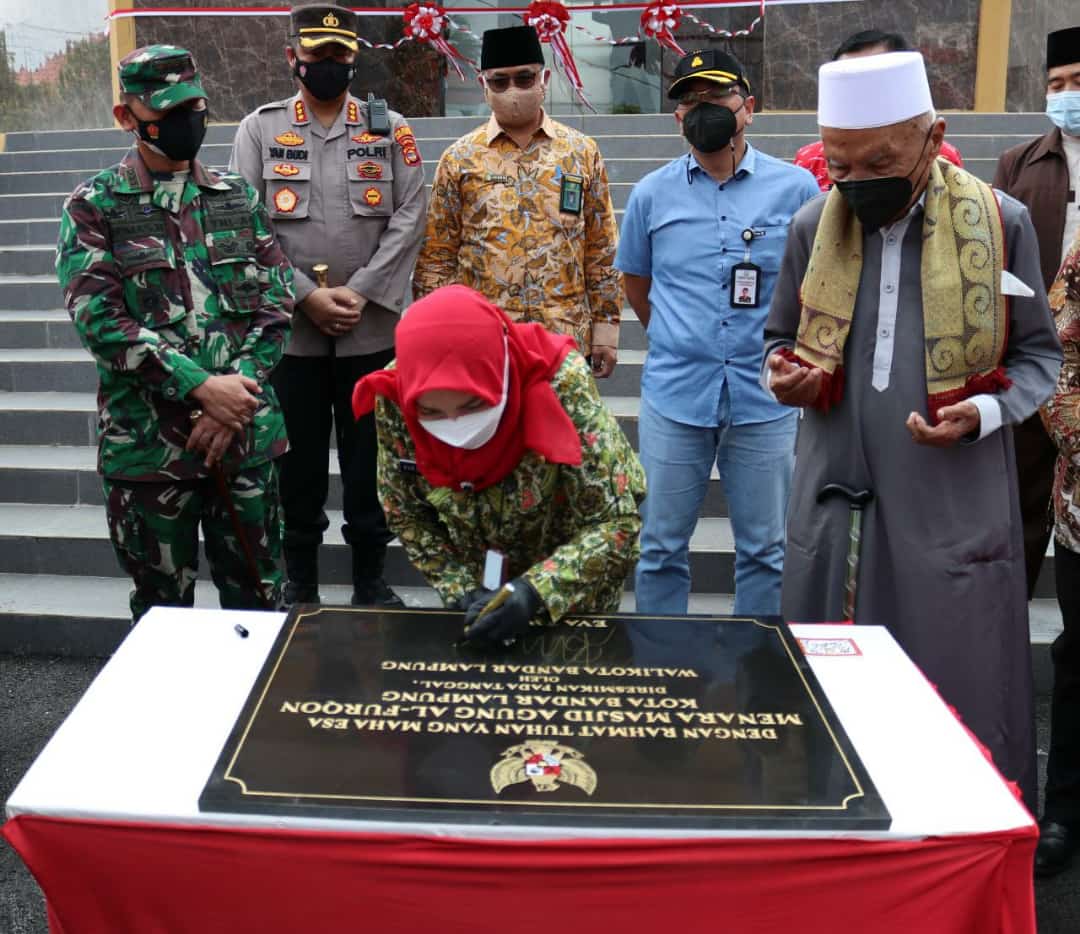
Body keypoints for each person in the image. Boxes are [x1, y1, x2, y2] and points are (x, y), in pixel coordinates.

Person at [763, 51, 1061, 812]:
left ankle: (959, 838)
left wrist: (985, 413)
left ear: (934, 138)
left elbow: (1038, 358)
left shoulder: (1002, 223)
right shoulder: (810, 225)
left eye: (881, 160)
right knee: (832, 680)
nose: (859, 180)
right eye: (841, 164)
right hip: (835, 492)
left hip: (951, 497)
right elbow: (780, 337)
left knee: (955, 674)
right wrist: (784, 372)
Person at [56, 45, 293, 623]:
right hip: (150, 452)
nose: (187, 120)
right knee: (164, 620)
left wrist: (232, 391)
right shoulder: (95, 207)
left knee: (258, 608)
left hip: (244, 441)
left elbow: (276, 300)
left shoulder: (235, 196)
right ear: (126, 117)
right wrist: (199, 388)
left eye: (194, 105)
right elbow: (101, 321)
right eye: (167, 109)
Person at [230, 3, 427, 608]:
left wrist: (361, 291)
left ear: (354, 58)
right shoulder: (259, 130)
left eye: (340, 55)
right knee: (299, 464)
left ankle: (371, 579)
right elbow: (245, 225)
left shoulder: (390, 128)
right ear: (295, 58)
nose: (329, 65)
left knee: (373, 462)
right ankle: (301, 582)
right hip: (293, 334)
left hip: (371, 332)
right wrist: (307, 296)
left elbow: (411, 215)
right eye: (317, 55)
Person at [616, 48, 819, 617]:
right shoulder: (652, 193)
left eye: (715, 99)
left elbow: (816, 284)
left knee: (765, 549)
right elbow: (637, 282)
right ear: (676, 117)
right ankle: (664, 667)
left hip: (764, 398)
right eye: (689, 101)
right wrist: (678, 338)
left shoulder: (798, 189)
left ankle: (757, 664)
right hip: (676, 395)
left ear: (747, 108)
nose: (702, 110)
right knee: (659, 548)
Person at [351, 285, 646, 645]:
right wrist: (460, 589)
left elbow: (617, 523)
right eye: (431, 412)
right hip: (478, 590)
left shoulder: (559, 382)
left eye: (472, 406)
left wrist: (534, 593)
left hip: (570, 591)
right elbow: (405, 511)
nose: (454, 424)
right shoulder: (399, 395)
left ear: (500, 378)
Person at [413, 25, 622, 380]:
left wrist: (606, 330)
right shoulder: (460, 158)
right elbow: (437, 256)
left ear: (545, 78)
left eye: (525, 79)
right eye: (500, 81)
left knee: (562, 436)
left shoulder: (581, 153)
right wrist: (435, 333)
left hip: (564, 342)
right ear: (484, 85)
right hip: (484, 342)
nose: (513, 91)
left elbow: (601, 248)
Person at [994, 26, 1080, 606]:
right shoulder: (1020, 164)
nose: (1065, 94)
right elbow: (994, 263)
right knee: (1018, 517)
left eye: (1077, 82)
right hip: (1033, 368)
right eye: (1056, 84)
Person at [793, 30, 963, 193]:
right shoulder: (810, 161)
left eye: (881, 165)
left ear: (933, 142)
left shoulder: (943, 157)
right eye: (841, 167)